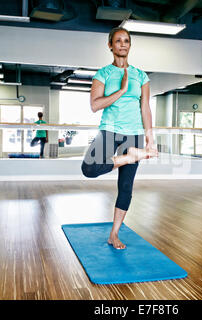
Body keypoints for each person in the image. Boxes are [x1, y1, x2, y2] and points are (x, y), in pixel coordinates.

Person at [81, 27, 158, 250]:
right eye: (118, 41)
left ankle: (114, 234)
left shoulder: (141, 75)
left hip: (133, 133)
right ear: (110, 45)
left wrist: (149, 138)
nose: (122, 44)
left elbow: (145, 107)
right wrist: (122, 90)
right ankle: (128, 157)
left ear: (129, 45)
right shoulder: (103, 74)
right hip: (109, 130)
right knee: (89, 168)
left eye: (126, 41)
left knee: (126, 186)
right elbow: (95, 105)